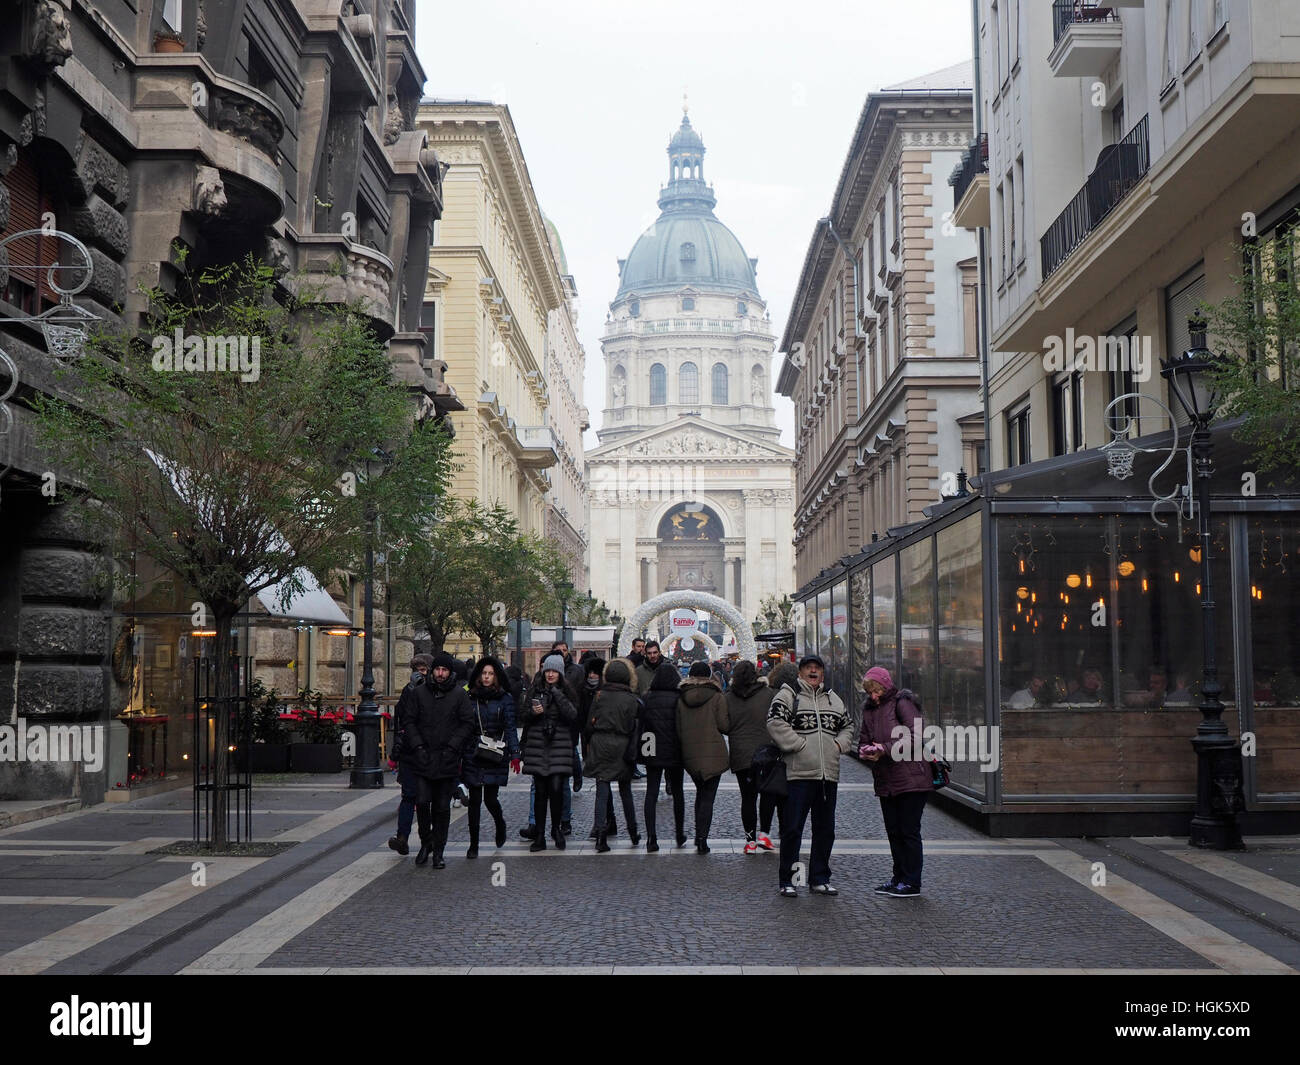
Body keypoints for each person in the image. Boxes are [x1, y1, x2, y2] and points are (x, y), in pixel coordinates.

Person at [768, 654, 854, 897]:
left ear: (823, 673)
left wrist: (839, 746)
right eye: (808, 668)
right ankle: (789, 880)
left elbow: (848, 725)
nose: (813, 672)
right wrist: (798, 745)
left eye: (817, 668)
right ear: (800, 672)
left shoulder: (833, 699)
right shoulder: (788, 695)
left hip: (828, 776)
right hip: (798, 775)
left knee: (825, 830)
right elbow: (775, 723)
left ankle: (819, 878)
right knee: (793, 829)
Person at [859, 666, 932, 898]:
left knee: (908, 831)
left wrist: (885, 749)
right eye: (869, 691)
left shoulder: (902, 702)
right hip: (886, 779)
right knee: (894, 832)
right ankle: (899, 878)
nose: (873, 695)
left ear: (885, 685)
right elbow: (863, 738)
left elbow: (917, 736)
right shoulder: (869, 709)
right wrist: (867, 751)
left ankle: (912, 882)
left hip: (911, 778)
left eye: (876, 690)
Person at [408, 652, 477, 869]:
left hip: (446, 759)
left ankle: (439, 850)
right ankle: (425, 842)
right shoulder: (419, 693)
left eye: (444, 670)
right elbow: (409, 721)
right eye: (437, 669)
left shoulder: (458, 695)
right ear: (432, 670)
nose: (440, 673)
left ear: (450, 672)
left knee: (441, 807)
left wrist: (453, 746)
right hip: (423, 757)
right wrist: (418, 745)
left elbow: (468, 723)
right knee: (421, 803)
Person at [460, 655, 519, 858]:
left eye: (490, 674)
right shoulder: (470, 697)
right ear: (478, 675)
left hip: (495, 752)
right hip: (474, 752)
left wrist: (515, 754)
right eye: (484, 673)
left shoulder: (505, 699)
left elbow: (510, 727)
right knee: (474, 799)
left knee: (491, 799)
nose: (486, 677)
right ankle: (473, 844)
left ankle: (499, 823)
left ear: (497, 676)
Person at [519, 654, 578, 851]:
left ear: (560, 673)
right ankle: (540, 835)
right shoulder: (535, 689)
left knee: (556, 789)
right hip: (538, 745)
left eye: (554, 671)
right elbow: (524, 716)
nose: (550, 674)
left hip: (559, 745)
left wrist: (556, 694)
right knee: (541, 791)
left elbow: (572, 715)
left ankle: (556, 828)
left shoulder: (566, 692)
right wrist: (534, 713)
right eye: (548, 671)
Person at [585, 658, 642, 851]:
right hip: (622, 745)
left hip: (600, 743)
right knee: (625, 791)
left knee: (602, 791)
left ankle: (601, 835)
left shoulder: (599, 695)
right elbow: (633, 726)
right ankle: (633, 831)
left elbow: (588, 724)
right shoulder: (631, 699)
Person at [725, 659, 779, 854]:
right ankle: (764, 835)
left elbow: (724, 725)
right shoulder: (769, 694)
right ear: (756, 674)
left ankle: (750, 841)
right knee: (767, 795)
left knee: (747, 798)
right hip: (766, 753)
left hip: (741, 754)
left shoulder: (729, 697)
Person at [676, 660, 730, 853]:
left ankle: (698, 835)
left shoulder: (682, 697)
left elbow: (678, 727)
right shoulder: (717, 696)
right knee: (708, 797)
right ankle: (702, 839)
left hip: (691, 754)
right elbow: (724, 726)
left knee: (700, 794)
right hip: (713, 753)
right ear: (709, 675)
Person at [638, 661, 686, 850]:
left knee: (651, 791)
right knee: (678, 792)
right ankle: (679, 832)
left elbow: (642, 725)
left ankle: (651, 837)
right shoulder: (680, 698)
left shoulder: (647, 697)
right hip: (675, 750)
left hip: (653, 748)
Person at [387, 653, 432, 856]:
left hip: (428, 753)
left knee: (425, 800)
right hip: (408, 753)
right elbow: (402, 724)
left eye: (423, 670)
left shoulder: (434, 691)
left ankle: (428, 840)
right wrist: (396, 752)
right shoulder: (408, 692)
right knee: (408, 796)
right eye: (416, 670)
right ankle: (402, 838)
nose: (419, 674)